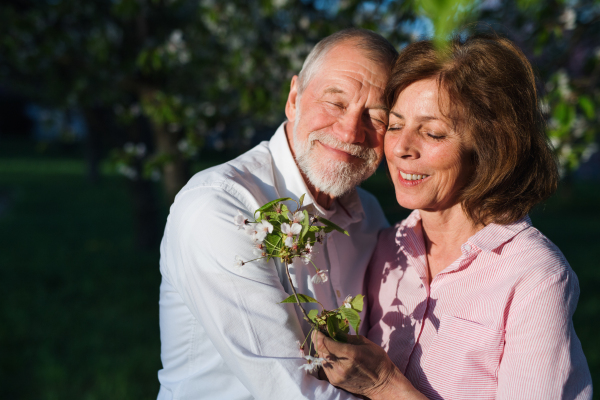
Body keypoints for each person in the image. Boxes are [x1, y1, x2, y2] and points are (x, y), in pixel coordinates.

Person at [314, 33, 593, 400]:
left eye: (432, 132)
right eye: (395, 125)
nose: (400, 148)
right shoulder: (384, 245)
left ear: (489, 147)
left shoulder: (534, 276)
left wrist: (385, 386)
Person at [157, 28, 398, 399]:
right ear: (293, 99)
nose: (351, 131)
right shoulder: (220, 207)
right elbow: (292, 391)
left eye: (375, 117)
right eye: (335, 103)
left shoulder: (370, 216)